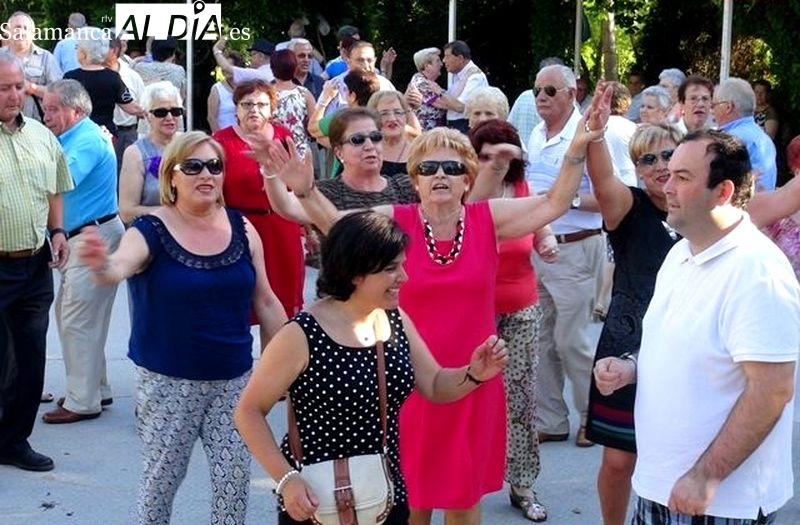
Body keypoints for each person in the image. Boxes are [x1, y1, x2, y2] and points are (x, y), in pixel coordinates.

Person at [255, 85, 612, 525]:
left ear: (467, 177)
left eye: (451, 166)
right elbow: (335, 225)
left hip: (474, 378)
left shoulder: (488, 219)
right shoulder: (397, 220)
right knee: (411, 500)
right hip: (411, 381)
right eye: (427, 167)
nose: (439, 174)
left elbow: (557, 201)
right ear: (415, 177)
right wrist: (305, 189)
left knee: (464, 502)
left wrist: (579, 144)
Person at [234, 210, 508, 525]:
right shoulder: (301, 333)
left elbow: (433, 384)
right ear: (355, 272)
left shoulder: (394, 319)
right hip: (316, 499)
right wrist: (286, 480)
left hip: (385, 490)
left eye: (402, 265)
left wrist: (473, 374)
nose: (404, 277)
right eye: (391, 269)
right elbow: (248, 412)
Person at [77, 131, 287, 523]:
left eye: (214, 166)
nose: (205, 174)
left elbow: (266, 300)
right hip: (169, 383)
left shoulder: (242, 228)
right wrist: (101, 266)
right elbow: (119, 266)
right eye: (193, 166)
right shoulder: (150, 230)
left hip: (234, 382)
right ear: (171, 176)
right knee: (162, 482)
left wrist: (299, 355)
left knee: (234, 480)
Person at [595, 129, 800, 524]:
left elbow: (772, 388)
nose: (666, 185)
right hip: (660, 486)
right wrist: (631, 367)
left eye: (682, 177)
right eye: (668, 173)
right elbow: (675, 344)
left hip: (718, 503)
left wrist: (706, 475)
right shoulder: (680, 253)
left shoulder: (757, 270)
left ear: (723, 192)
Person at [525, 65, 634, 448]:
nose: (541, 96)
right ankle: (552, 419)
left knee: (572, 341)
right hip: (539, 247)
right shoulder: (537, 133)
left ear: (572, 93)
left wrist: (564, 199)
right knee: (541, 340)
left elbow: (622, 194)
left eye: (551, 90)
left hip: (575, 245)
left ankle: (592, 418)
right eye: (537, 88)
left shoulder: (593, 132)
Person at [468, 118, 558, 522]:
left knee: (519, 399)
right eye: (484, 156)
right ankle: (464, 480)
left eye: (500, 156)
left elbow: (542, 222)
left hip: (520, 306)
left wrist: (548, 239)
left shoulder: (522, 189)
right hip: (473, 310)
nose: (491, 163)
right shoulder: (469, 193)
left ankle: (522, 484)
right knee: (469, 398)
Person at [0, 54, 72, 471]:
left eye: (19, 87)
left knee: (30, 357)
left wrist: (58, 232)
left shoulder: (42, 136)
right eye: (4, 88)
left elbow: (55, 188)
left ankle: (14, 441)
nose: (14, 95)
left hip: (34, 263)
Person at [40, 79, 124, 424]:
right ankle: (94, 390)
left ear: (75, 110)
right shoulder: (79, 136)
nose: (46, 116)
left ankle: (82, 400)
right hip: (90, 234)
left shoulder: (86, 140)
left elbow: (62, 180)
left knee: (77, 320)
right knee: (84, 319)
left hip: (91, 236)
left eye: (53, 109)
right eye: (45, 109)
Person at [213, 79, 305, 319]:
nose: (254, 110)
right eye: (247, 104)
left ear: (272, 108)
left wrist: (307, 227)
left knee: (281, 305)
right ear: (236, 108)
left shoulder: (283, 136)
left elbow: (296, 186)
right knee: (240, 304)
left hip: (282, 226)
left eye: (262, 104)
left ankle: (273, 357)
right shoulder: (221, 141)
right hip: (240, 229)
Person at [119, 81, 183, 224]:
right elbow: (127, 212)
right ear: (147, 116)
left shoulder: (192, 147)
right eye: (161, 112)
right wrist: (174, 214)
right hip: (152, 235)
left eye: (175, 111)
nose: (169, 117)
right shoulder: (135, 153)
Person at [63, 27, 143, 138]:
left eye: (77, 48)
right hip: (106, 134)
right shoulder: (113, 77)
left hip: (78, 134)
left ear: (84, 53)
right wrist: (149, 112)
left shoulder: (70, 78)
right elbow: (130, 106)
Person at [712, 77, 777, 191]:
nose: (712, 111)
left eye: (714, 105)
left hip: (742, 207)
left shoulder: (730, 140)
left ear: (728, 107)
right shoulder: (763, 138)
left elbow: (716, 187)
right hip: (765, 205)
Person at [0, 12, 62, 122]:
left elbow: (60, 94)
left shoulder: (46, 58)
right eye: (17, 28)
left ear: (33, 33)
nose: (21, 32)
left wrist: (32, 88)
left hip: (37, 125)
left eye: (25, 28)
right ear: (8, 31)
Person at [435, 40, 488, 132]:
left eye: (447, 57)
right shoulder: (459, 74)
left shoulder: (475, 77)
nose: (443, 60)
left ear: (460, 58)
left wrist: (439, 92)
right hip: (457, 125)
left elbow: (460, 107)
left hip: (465, 126)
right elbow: (450, 102)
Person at [270, 49, 315, 154]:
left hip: (273, 149)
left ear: (272, 68)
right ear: (294, 67)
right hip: (300, 149)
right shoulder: (304, 93)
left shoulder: (265, 93)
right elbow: (315, 125)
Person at [367, 90, 417, 177]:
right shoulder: (365, 151)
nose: (392, 119)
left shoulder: (419, 153)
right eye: (384, 114)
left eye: (397, 112)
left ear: (406, 116)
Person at [407, 47, 446, 130]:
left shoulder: (426, 81)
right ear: (427, 66)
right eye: (437, 61)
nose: (441, 64)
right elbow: (443, 103)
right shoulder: (421, 83)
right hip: (424, 137)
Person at [206, 50, 243, 133]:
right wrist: (220, 139)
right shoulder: (217, 88)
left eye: (228, 66)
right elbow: (211, 118)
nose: (224, 69)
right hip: (223, 138)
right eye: (222, 66)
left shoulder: (245, 87)